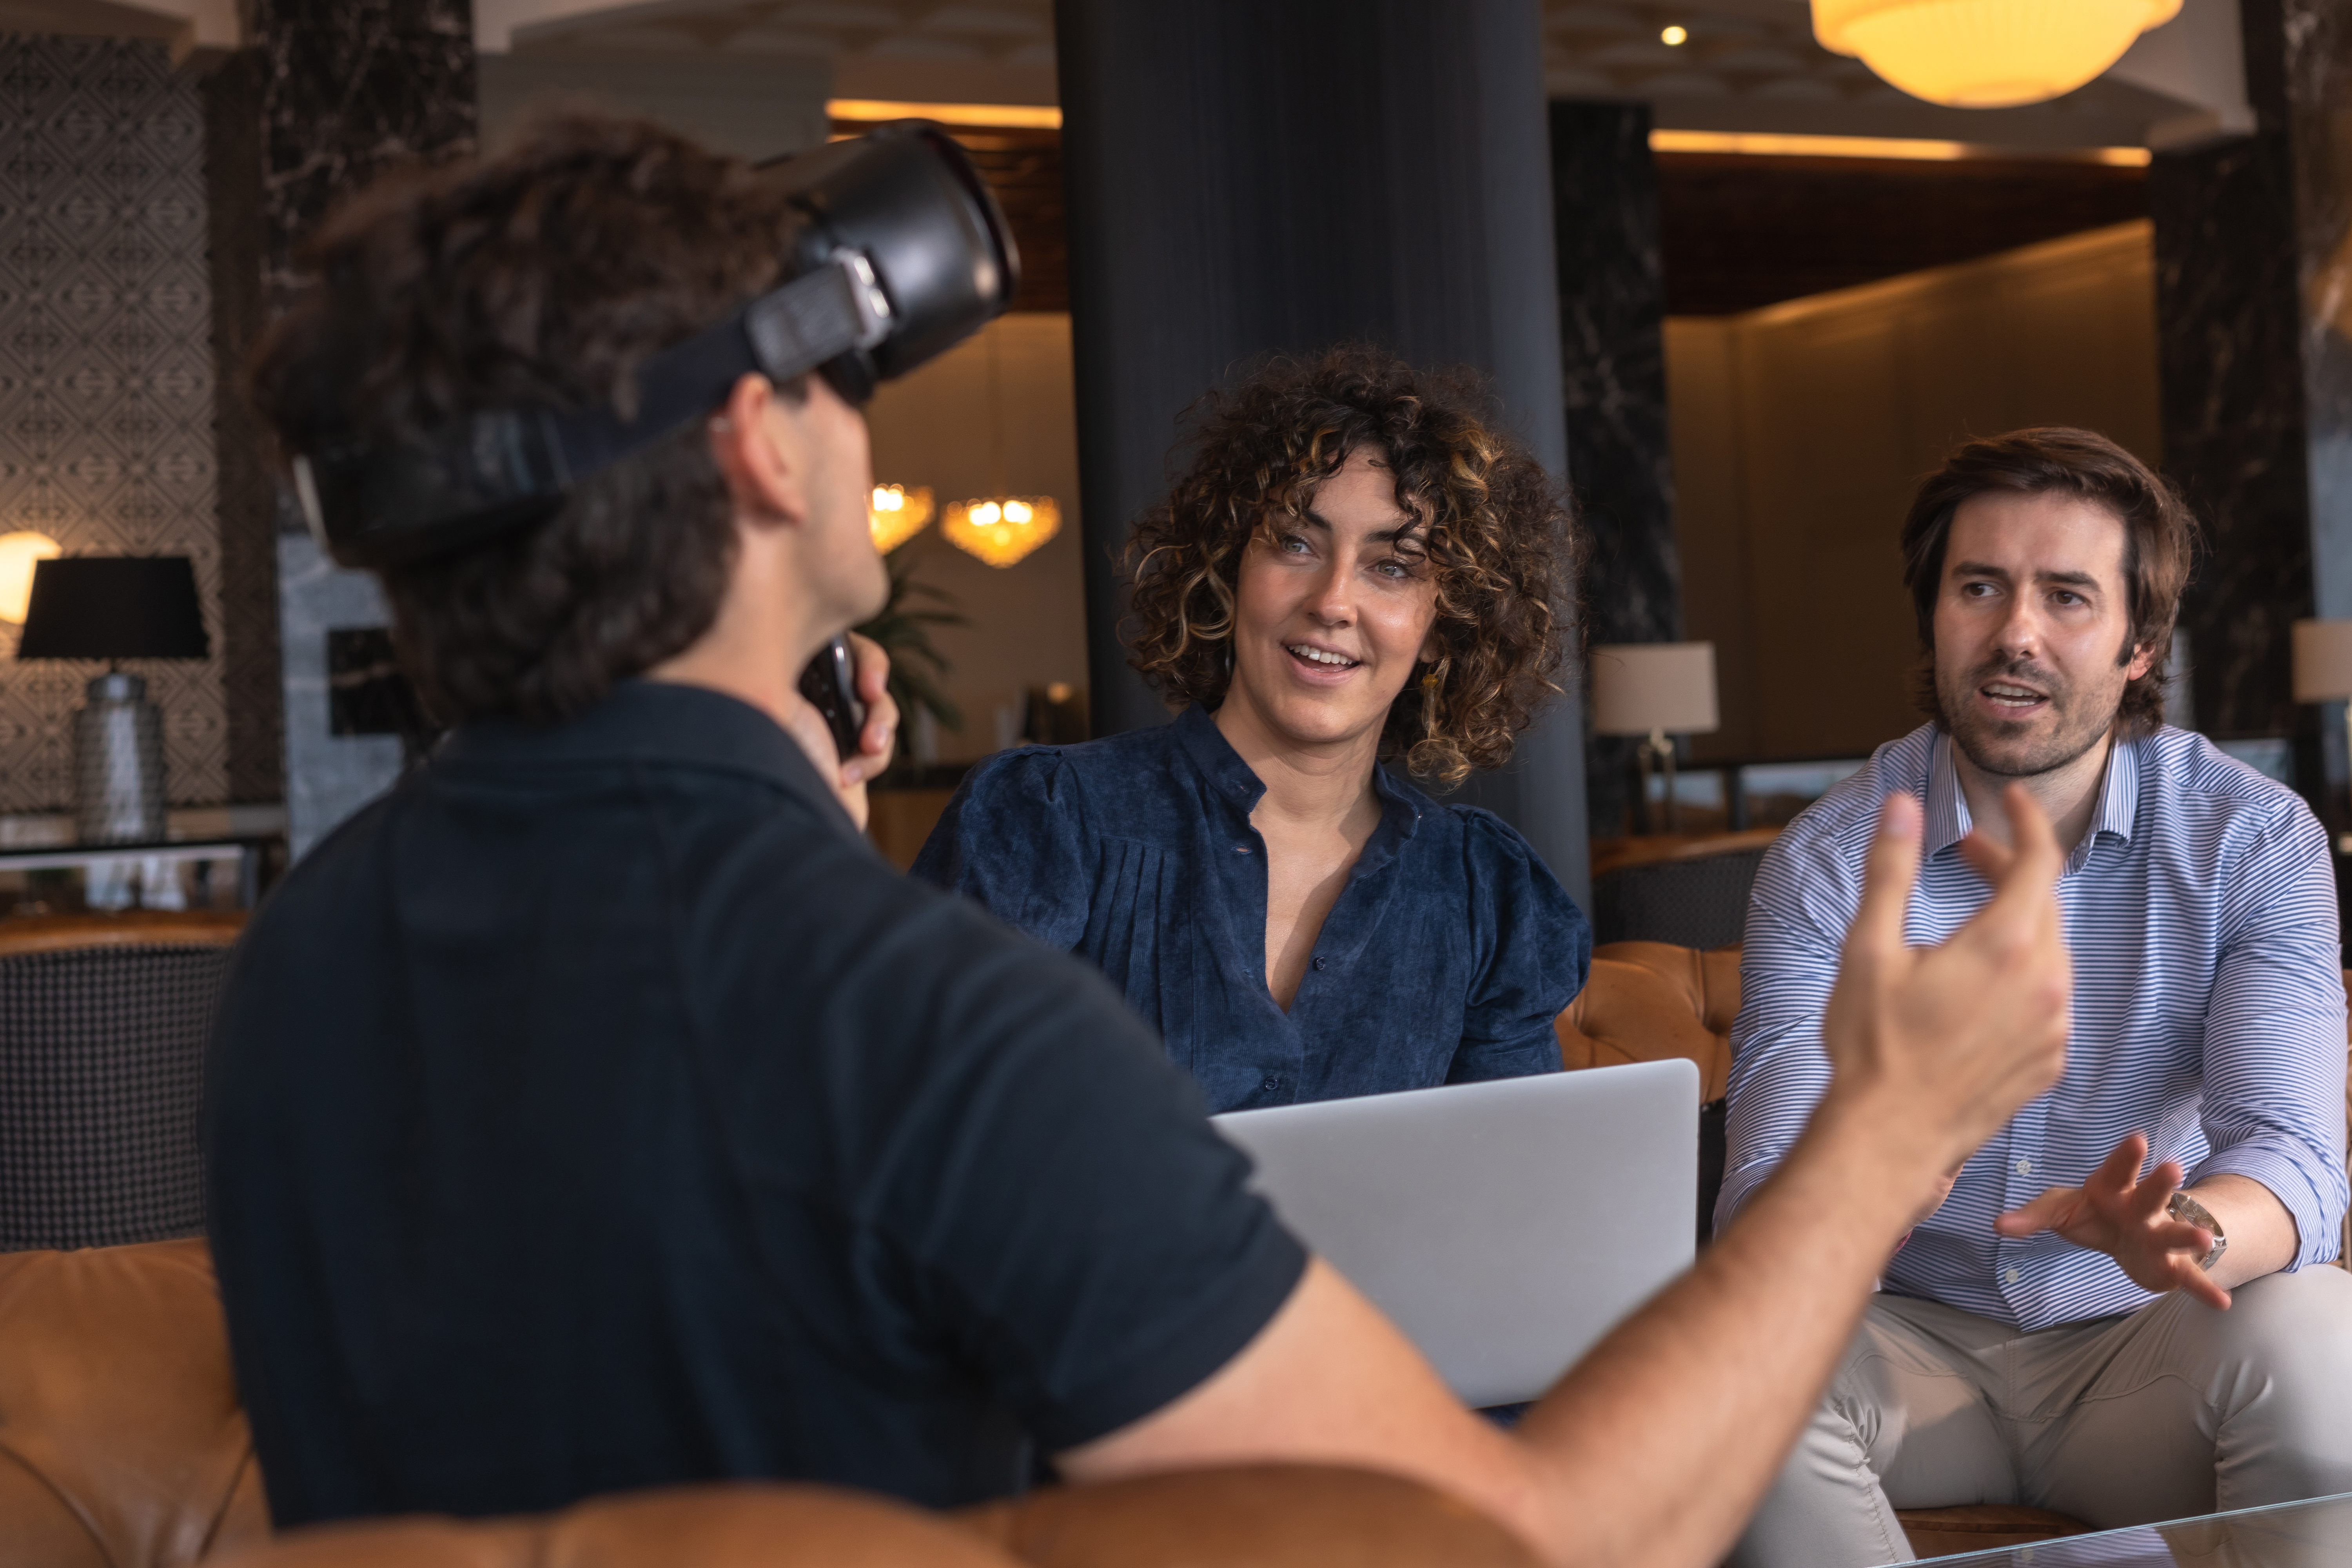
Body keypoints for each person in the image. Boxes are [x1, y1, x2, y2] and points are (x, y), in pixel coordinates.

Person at [205, 113, 2075, 1568]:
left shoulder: (301, 956)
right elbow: (1521, 1538)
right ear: (762, 445)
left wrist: (792, 822)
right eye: (847, 384)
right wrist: (1884, 1127)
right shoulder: (917, 1008)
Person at [1717, 428, 2352, 1568]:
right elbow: (1766, 1211)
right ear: (1934, 615)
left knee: (2322, 1336)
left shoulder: (2252, 840)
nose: (2016, 632)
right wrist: (1887, 1166)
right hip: (1902, 1344)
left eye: (2067, 596)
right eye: (1981, 588)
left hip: (2144, 1348)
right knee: (1741, 1364)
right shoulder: (1827, 864)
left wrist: (2189, 1233)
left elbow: (2296, 1157)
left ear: (2140, 643)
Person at [913, 350, 1588, 1112]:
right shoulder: (1047, 821)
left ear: (1443, 623)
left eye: (1393, 566)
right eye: (1297, 543)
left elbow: (1504, 1195)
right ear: (1229, 568)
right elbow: (937, 1145)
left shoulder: (1485, 894)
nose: (1333, 600)